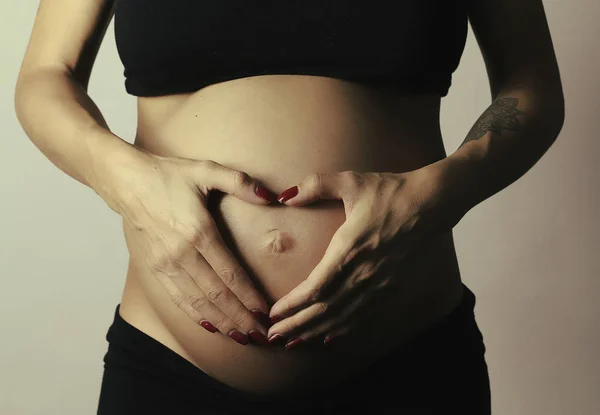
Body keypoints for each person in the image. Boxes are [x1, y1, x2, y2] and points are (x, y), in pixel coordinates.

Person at [14, 0, 564, 413]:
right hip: (171, 365)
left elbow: (531, 85)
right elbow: (46, 75)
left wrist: (436, 195)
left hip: (407, 355)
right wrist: (127, 181)